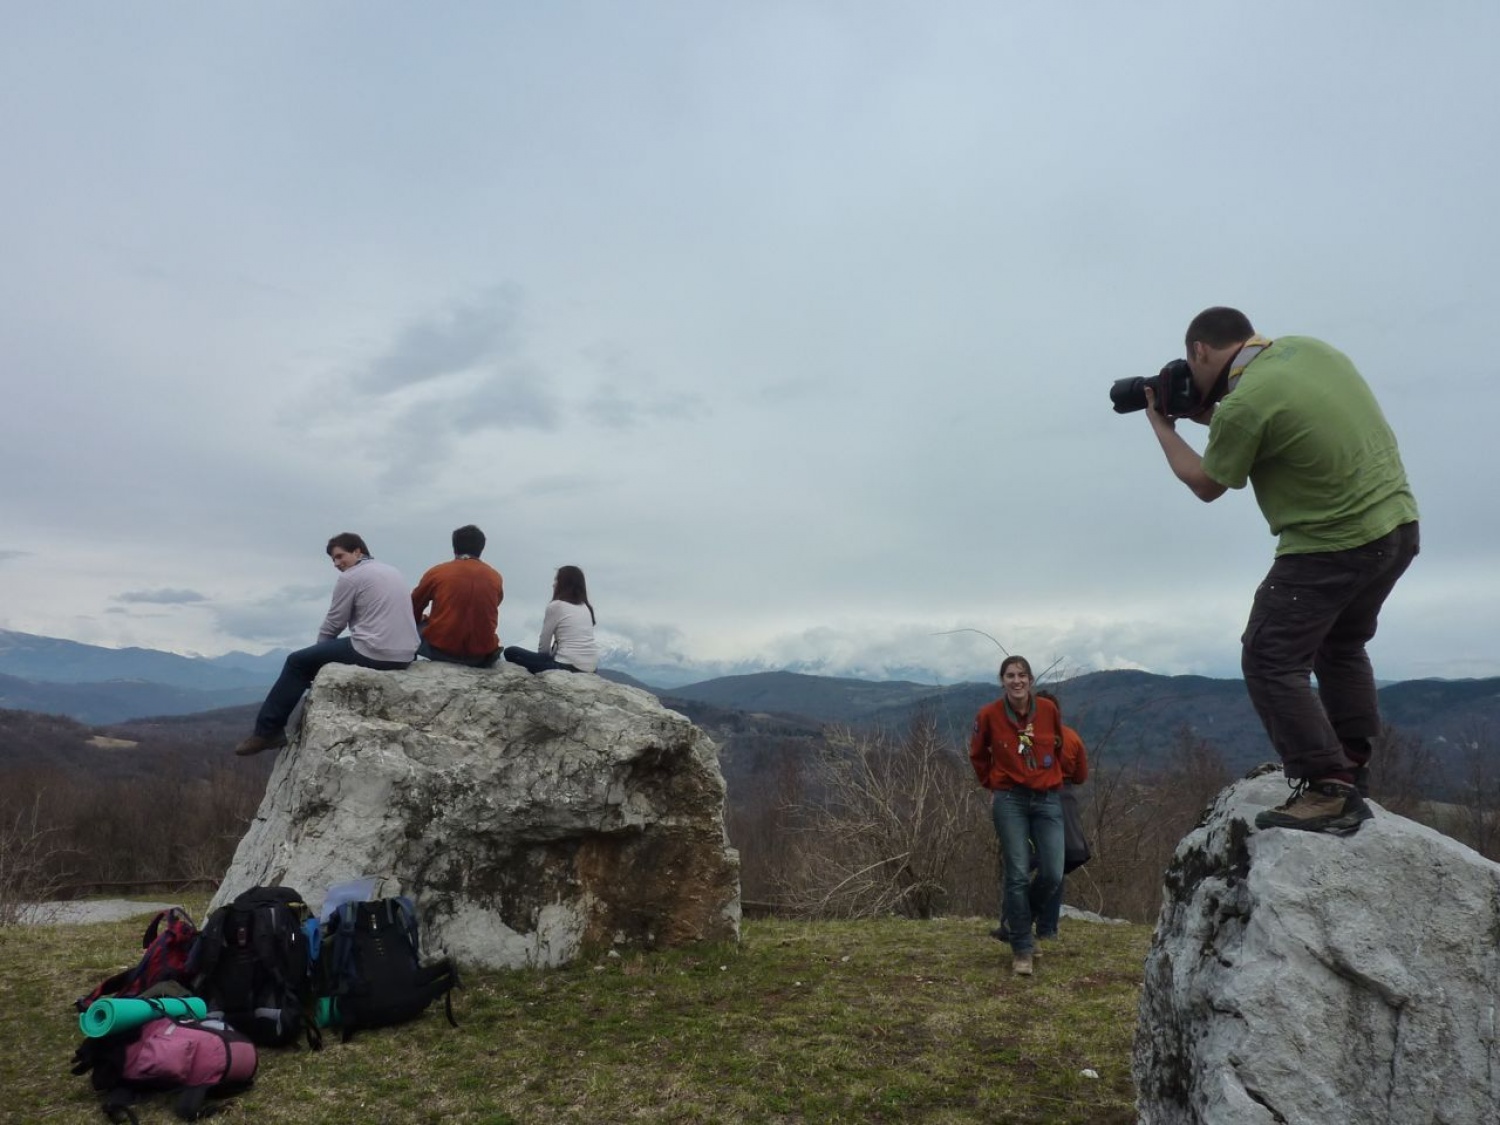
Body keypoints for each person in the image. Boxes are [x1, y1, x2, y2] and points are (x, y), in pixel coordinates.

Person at [1142, 307, 1419, 837]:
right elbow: (1283, 417)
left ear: (1199, 351)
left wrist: (1162, 424)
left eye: (1190, 364)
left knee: (1269, 656)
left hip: (1332, 542)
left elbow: (1206, 482)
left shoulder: (1243, 406)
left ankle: (1328, 788)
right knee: (1340, 644)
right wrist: (1213, 416)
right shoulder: (1309, 349)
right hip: (1398, 528)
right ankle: (1352, 766)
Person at [233, 533, 420, 756]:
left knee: (296, 662)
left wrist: (318, 654)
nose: (337, 563)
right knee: (311, 658)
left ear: (358, 551)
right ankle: (268, 731)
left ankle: (267, 732)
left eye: (340, 556)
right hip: (406, 655)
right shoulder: (392, 571)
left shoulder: (351, 577)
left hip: (375, 650)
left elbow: (334, 622)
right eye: (333, 559)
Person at [969, 655, 1065, 976]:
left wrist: (1051, 776)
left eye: (1022, 675)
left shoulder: (1048, 710)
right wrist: (993, 784)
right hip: (1010, 799)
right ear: (1002, 681)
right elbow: (977, 754)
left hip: (1047, 797)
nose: (1016, 680)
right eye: (1010, 675)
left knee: (1053, 872)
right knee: (1018, 873)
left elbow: (1058, 745)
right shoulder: (989, 715)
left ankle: (1016, 920)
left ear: (1031, 680)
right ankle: (1022, 946)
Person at [1033, 690, 1089, 945]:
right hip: (1064, 799)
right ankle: (1047, 928)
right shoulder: (1072, 737)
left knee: (1026, 863)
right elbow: (1080, 776)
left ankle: (1017, 920)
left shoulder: (1027, 738)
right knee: (1055, 866)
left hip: (1033, 796)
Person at [410, 524, 504, 667]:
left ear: (455, 547)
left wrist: (427, 620)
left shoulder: (438, 572)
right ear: (481, 549)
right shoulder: (495, 577)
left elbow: (413, 607)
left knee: (410, 624)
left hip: (441, 651)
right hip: (480, 656)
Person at [502, 565, 599, 675]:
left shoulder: (556, 606)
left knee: (511, 652)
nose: (553, 584)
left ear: (564, 584)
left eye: (556, 580)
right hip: (592, 668)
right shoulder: (585, 607)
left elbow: (543, 647)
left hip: (567, 667)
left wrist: (545, 660)